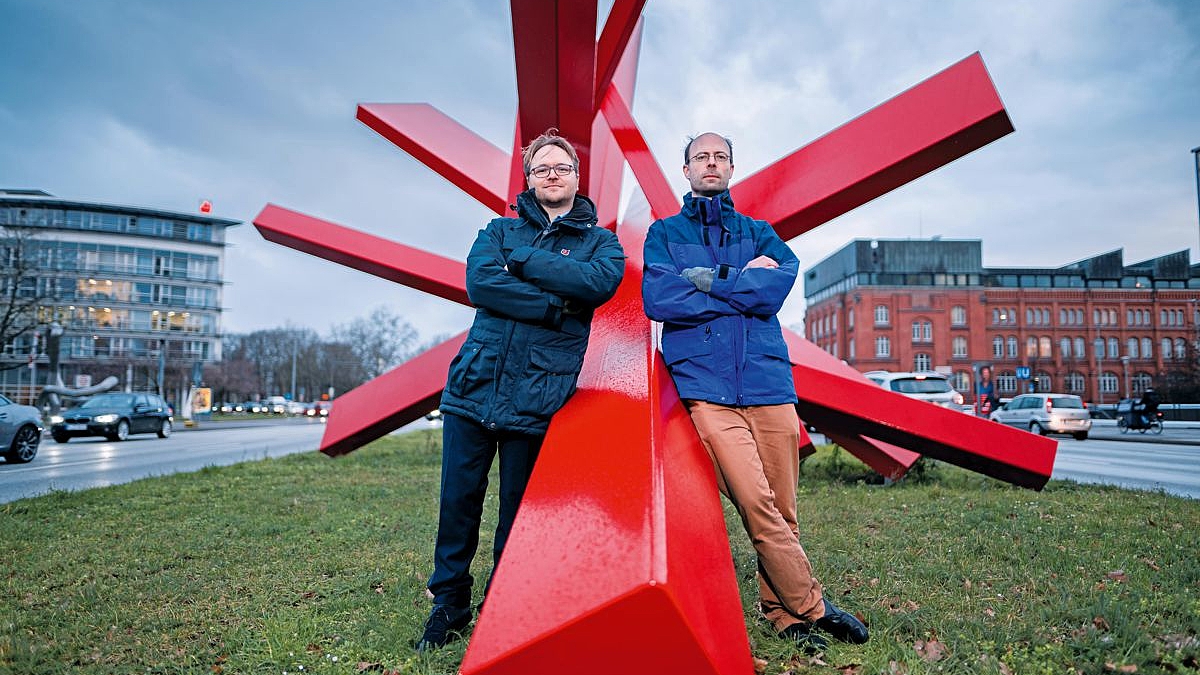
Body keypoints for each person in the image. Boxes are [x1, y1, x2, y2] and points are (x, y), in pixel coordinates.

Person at [641, 132, 869, 653]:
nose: (711, 164)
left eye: (720, 157)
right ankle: (814, 605)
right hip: (707, 387)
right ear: (687, 170)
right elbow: (660, 296)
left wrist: (705, 281)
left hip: (768, 382)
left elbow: (776, 286)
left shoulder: (760, 232)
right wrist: (740, 283)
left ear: (731, 168)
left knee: (784, 506)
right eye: (702, 157)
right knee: (754, 499)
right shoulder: (664, 235)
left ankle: (781, 615)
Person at [416, 130, 626, 651]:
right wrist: (554, 306)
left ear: (577, 177)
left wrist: (526, 264)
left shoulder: (602, 244)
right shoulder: (497, 230)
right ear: (528, 180)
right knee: (457, 503)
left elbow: (596, 285)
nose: (551, 175)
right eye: (541, 169)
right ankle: (449, 605)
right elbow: (481, 284)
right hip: (475, 383)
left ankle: (505, 605)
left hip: (538, 392)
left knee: (519, 510)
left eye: (561, 168)